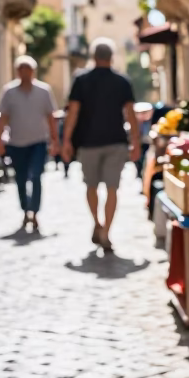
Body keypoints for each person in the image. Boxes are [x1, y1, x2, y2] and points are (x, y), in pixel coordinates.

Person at [61, 37, 140, 252]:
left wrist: (66, 140)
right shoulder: (122, 81)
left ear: (93, 56)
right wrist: (136, 142)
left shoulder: (80, 80)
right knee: (113, 188)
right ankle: (106, 231)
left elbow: (73, 112)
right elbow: (131, 115)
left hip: (88, 143)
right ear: (111, 57)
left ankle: (97, 222)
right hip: (116, 142)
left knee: (91, 186)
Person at [0, 56, 58, 231]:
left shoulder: (44, 91)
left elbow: (50, 117)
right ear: (17, 72)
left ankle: (35, 212)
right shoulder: (9, 92)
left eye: (28, 69)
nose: (25, 73)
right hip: (16, 143)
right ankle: (25, 210)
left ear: (33, 71)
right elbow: (3, 118)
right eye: (21, 69)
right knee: (21, 179)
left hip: (38, 142)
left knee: (36, 175)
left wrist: (55, 140)